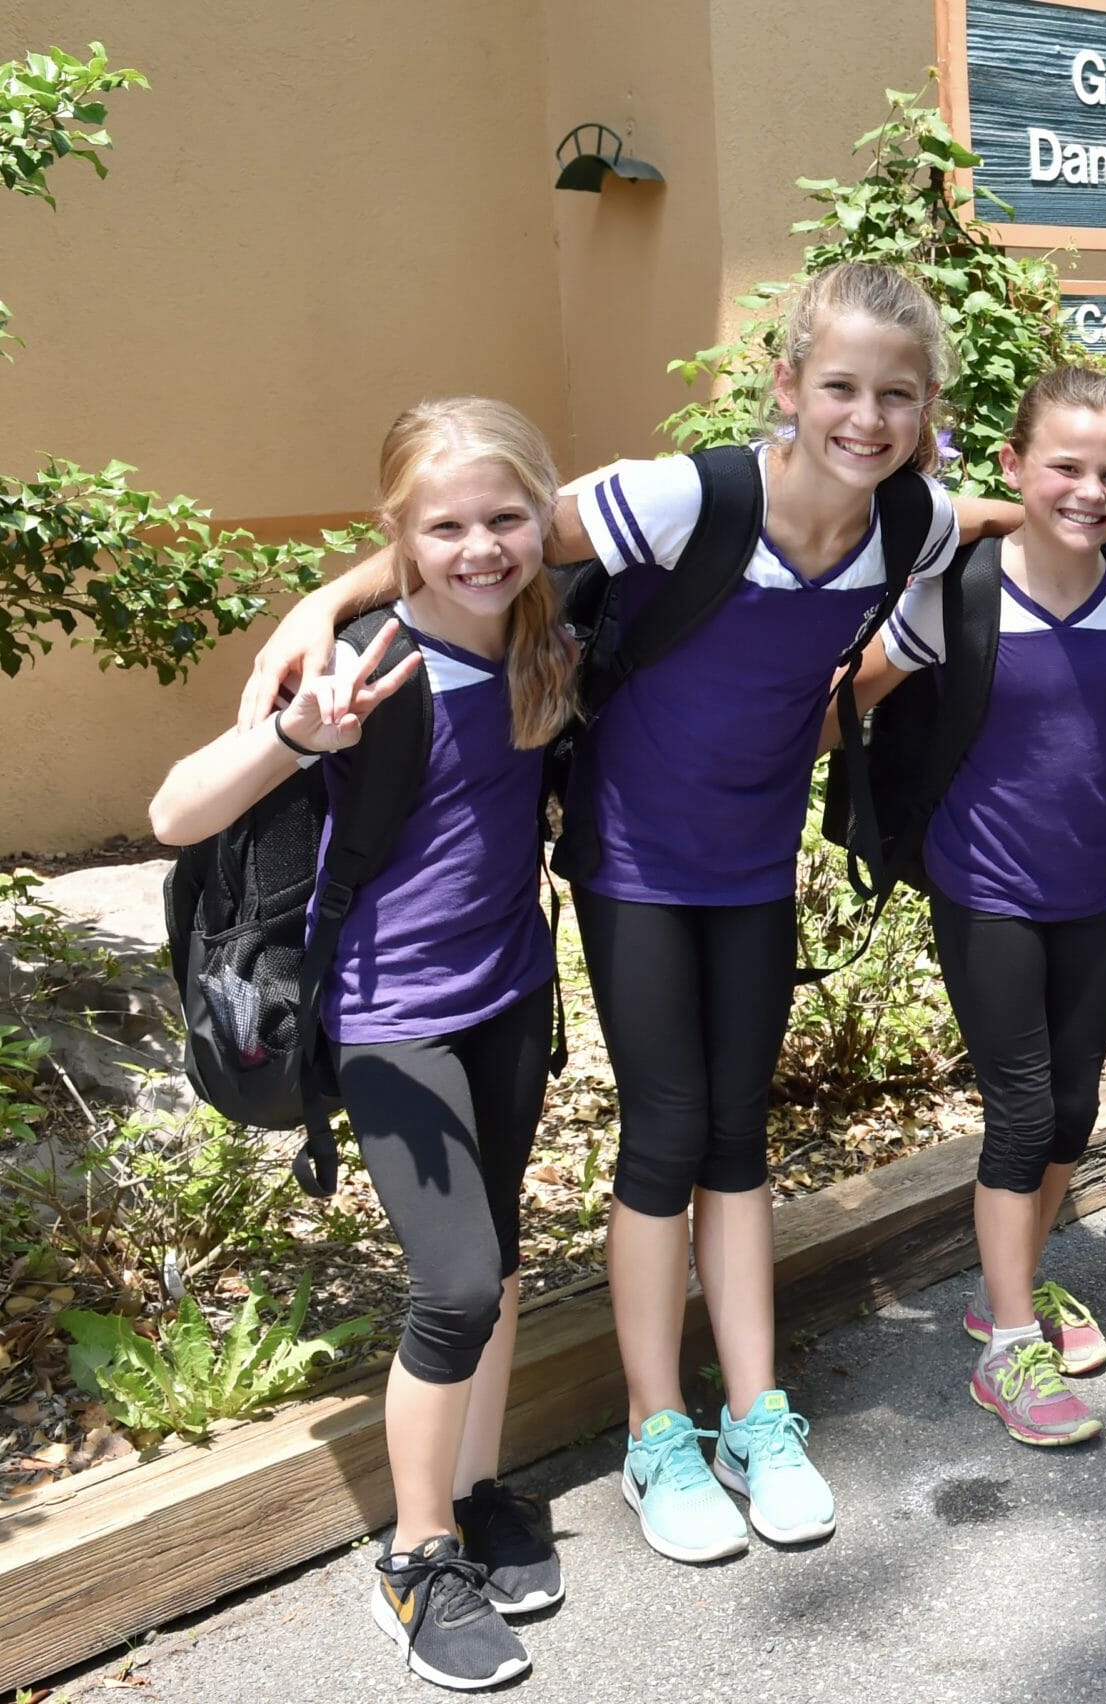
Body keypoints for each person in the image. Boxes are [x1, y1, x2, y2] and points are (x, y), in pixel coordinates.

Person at [238, 263, 1018, 1563]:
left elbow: (981, 514)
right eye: (839, 387)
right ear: (788, 388)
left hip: (755, 863)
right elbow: (479, 527)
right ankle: (659, 1432)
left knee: (740, 1134)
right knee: (664, 1133)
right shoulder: (687, 497)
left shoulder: (915, 523)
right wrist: (324, 600)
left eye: (896, 396)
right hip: (635, 858)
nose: (865, 418)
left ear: (926, 408)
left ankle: (759, 1412)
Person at [155, 399, 576, 1689]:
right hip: (388, 1021)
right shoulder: (362, 664)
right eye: (445, 526)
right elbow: (173, 814)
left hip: (507, 997)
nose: (483, 546)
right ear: (399, 537)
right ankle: (418, 1550)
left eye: (508, 517)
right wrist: (294, 732)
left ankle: (483, 1482)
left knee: (499, 1263)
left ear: (543, 520)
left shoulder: (549, 641)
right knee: (452, 1286)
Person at [848, 367, 1106, 1446]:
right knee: (1023, 1112)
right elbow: (848, 698)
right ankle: (1006, 1350)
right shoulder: (960, 592)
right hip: (983, 887)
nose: (1089, 490)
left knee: (1074, 1111)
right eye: (1065, 467)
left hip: (1087, 889)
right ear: (1015, 468)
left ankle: (1007, 1288)